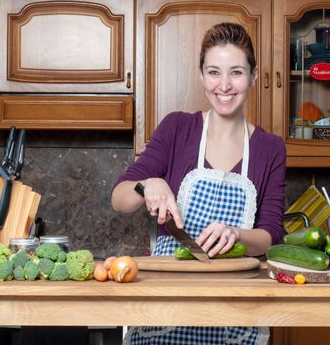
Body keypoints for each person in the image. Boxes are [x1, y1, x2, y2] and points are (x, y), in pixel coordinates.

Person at [111, 22, 286, 345]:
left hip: (235, 309)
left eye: (236, 72)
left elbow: (270, 235)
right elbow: (119, 198)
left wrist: (236, 235)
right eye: (213, 72)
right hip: (166, 303)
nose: (224, 85)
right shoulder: (177, 128)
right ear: (201, 76)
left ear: (254, 75)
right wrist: (147, 183)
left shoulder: (270, 148)